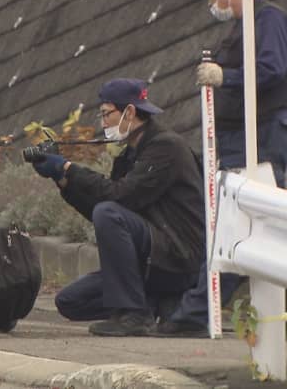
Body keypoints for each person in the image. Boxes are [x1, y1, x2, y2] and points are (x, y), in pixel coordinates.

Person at [155, 0, 287, 338]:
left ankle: (198, 309)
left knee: (238, 222)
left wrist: (225, 77)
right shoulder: (245, 25)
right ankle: (199, 307)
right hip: (244, 136)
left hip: (259, 137)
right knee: (237, 224)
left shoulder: (268, 20)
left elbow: (272, 68)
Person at [32, 78, 204, 337]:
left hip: (176, 255)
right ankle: (154, 301)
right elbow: (104, 210)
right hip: (149, 259)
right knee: (70, 302)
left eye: (105, 114)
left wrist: (69, 167)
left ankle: (135, 315)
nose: (102, 123)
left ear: (130, 112)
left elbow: (119, 198)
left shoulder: (166, 147)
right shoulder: (129, 156)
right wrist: (64, 180)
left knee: (108, 212)